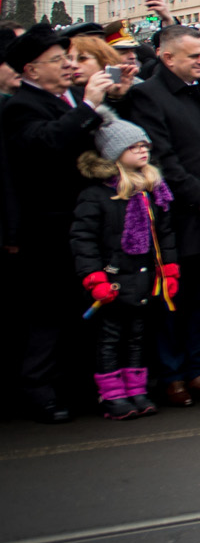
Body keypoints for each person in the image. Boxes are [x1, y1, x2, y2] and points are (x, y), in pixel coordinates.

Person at [4, 24, 111, 422]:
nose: (68, 65)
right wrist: (88, 108)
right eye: (57, 60)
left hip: (79, 224)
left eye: (69, 58)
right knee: (47, 314)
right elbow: (46, 143)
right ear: (31, 70)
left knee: (77, 310)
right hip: (46, 229)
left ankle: (75, 386)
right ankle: (38, 391)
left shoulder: (63, 100)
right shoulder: (21, 106)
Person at [121, 24, 200, 406]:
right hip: (177, 215)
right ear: (168, 58)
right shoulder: (148, 97)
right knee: (173, 299)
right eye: (194, 56)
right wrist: (199, 196)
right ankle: (172, 375)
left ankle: (197, 369)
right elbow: (160, 157)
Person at [71, 112, 177, 419]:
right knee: (110, 337)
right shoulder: (97, 196)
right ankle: (111, 394)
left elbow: (165, 235)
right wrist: (94, 277)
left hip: (144, 278)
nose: (144, 151)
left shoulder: (153, 190)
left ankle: (136, 389)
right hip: (113, 281)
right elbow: (83, 239)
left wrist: (169, 269)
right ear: (115, 154)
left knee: (137, 335)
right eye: (134, 147)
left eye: (145, 145)